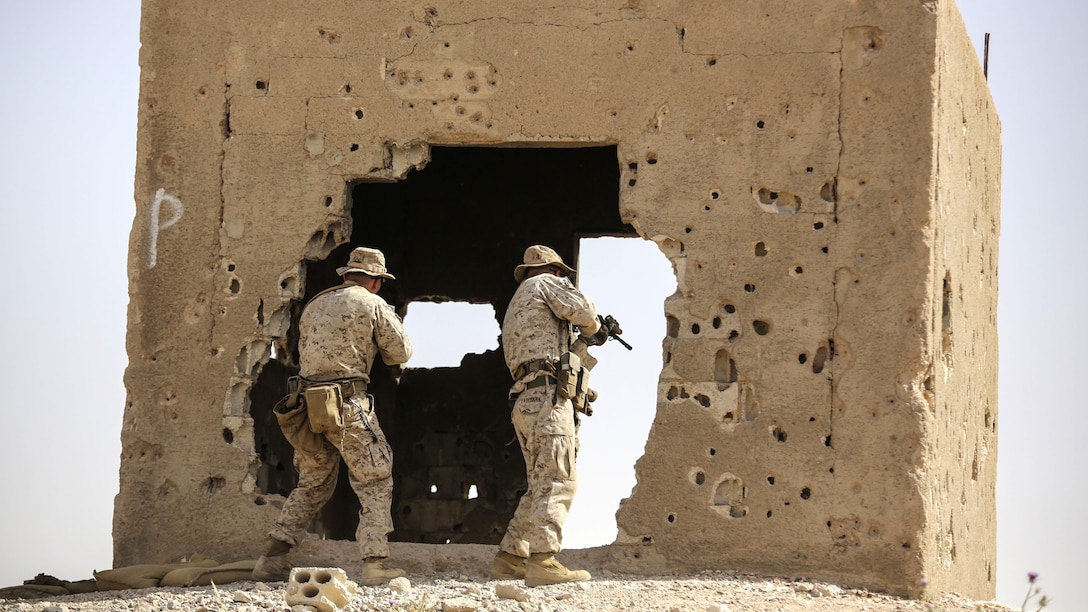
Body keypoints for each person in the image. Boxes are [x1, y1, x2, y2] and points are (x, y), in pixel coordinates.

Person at [253, 246, 412, 586]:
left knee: (311, 484)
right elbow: (400, 353)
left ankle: (273, 558)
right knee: (375, 479)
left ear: (345, 275)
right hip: (348, 405)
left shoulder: (314, 304)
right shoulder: (372, 304)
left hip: (308, 405)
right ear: (376, 282)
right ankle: (374, 564)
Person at [491, 245, 612, 586]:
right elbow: (585, 310)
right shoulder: (546, 283)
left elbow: (553, 351)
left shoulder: (521, 300)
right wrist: (593, 329)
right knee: (560, 480)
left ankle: (512, 557)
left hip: (527, 397)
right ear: (555, 271)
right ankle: (543, 560)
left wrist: (585, 342)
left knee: (541, 483)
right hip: (546, 397)